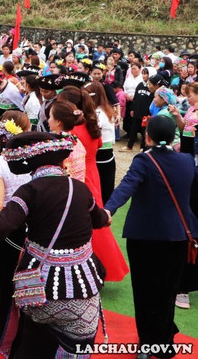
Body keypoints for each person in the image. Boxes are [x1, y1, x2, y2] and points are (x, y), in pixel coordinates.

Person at [0, 132, 111, 358]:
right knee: (78, 348)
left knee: (33, 344)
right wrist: (107, 217)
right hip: (83, 289)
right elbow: (100, 219)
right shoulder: (80, 190)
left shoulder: (28, 192)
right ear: (62, 160)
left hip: (39, 291)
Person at [104, 115, 198, 359]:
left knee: (144, 291)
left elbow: (127, 186)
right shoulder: (187, 161)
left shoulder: (144, 160)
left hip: (144, 236)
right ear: (173, 137)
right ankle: (164, 342)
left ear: (147, 136)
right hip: (178, 235)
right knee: (167, 291)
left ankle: (147, 344)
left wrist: (108, 209)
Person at [49, 93, 129, 282]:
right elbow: (100, 145)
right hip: (90, 172)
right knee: (95, 223)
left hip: (77, 178)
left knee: (84, 226)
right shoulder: (90, 125)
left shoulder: (70, 137)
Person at [0, 111, 32, 346]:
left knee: (4, 291)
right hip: (35, 232)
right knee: (32, 289)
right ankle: (29, 340)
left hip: (8, 233)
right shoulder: (35, 160)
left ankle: (7, 341)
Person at [83, 80, 117, 205]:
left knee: (100, 191)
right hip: (107, 154)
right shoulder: (106, 109)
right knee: (105, 190)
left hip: (100, 155)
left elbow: (93, 131)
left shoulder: (98, 113)